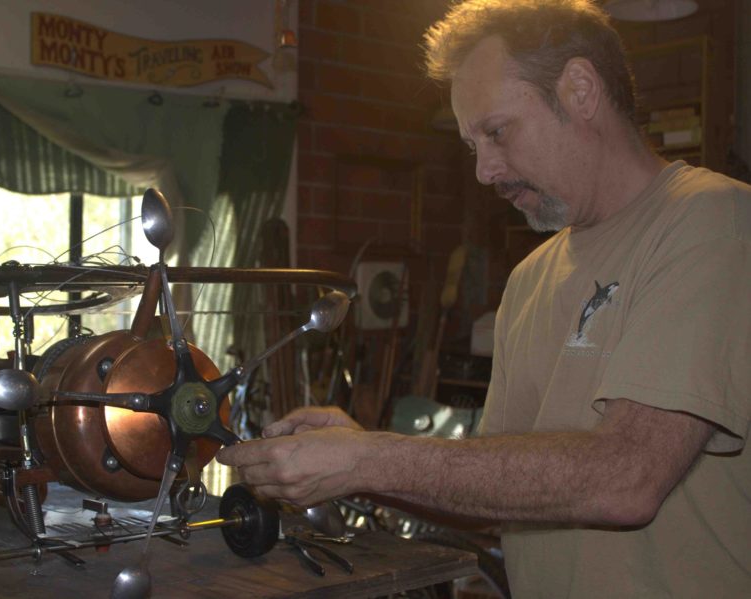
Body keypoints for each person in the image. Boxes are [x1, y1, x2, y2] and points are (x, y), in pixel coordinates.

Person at [217, 0, 751, 596]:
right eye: (474, 146)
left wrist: (371, 459)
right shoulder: (529, 279)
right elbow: (501, 498)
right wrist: (351, 462)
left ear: (579, 89)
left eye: (496, 132)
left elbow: (626, 478)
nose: (485, 171)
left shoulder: (711, 221)